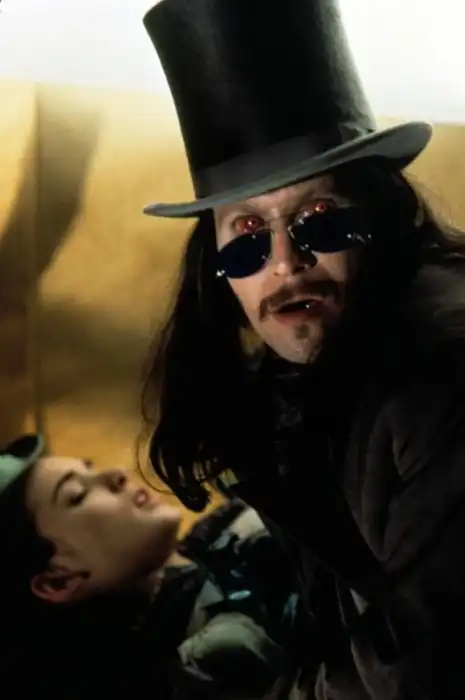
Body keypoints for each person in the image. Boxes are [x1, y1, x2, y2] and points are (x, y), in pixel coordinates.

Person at [140, 0, 465, 698]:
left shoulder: (440, 375)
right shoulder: (291, 391)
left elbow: (420, 671)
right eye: (248, 235)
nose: (285, 264)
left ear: (379, 219)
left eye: (319, 220)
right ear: (215, 264)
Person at [0, 434, 299, 699]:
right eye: (77, 495)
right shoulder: (204, 666)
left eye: (90, 468)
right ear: (58, 581)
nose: (116, 474)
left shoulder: (215, 540)